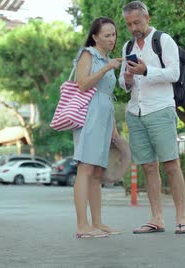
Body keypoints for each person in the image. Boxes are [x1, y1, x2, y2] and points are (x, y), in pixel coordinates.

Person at [118, 0, 185, 235]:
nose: (133, 28)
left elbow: (174, 73)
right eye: (129, 24)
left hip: (160, 109)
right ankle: (156, 218)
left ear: (147, 18)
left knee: (171, 164)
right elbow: (123, 82)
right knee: (148, 167)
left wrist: (145, 70)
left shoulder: (163, 40)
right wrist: (128, 79)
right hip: (135, 112)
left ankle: (181, 218)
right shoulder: (128, 46)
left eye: (137, 22)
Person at [73, 16, 123, 238]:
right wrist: (105, 69)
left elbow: (108, 95)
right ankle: (82, 225)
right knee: (85, 168)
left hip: (105, 115)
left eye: (113, 34)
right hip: (90, 114)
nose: (112, 39)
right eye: (107, 35)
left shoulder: (107, 58)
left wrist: (113, 127)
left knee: (97, 171)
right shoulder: (88, 54)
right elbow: (82, 84)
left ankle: (98, 222)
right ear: (95, 37)